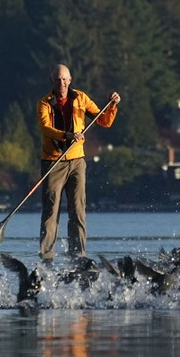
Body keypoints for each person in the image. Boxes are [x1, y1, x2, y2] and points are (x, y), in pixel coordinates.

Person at [37, 63, 121, 263]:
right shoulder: (44, 103)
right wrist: (67, 135)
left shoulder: (81, 99)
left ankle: (78, 257)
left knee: (78, 210)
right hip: (52, 162)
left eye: (65, 79)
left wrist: (112, 105)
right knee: (51, 211)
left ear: (70, 80)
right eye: (58, 80)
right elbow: (45, 128)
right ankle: (47, 258)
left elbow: (104, 121)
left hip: (77, 162)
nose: (62, 83)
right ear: (52, 82)